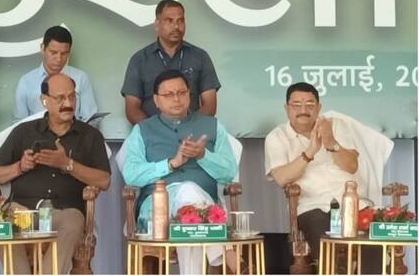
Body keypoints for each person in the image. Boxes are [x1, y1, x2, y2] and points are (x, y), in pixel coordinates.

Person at [0, 73, 111, 274]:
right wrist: (20, 166)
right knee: (4, 223)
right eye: (60, 98)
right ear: (44, 100)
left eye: (72, 96)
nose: (68, 103)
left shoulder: (90, 136)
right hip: (22, 210)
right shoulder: (24, 132)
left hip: (66, 211)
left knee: (73, 222)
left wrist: (67, 164)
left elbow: (104, 181)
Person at [121, 69, 237, 274]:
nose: (176, 98)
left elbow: (229, 171)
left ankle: (219, 250)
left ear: (189, 95)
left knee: (189, 204)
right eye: (168, 94)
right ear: (156, 100)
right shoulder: (142, 130)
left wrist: (203, 156)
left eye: (181, 93)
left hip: (200, 207)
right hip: (157, 211)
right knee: (189, 193)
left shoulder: (212, 126)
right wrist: (170, 164)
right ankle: (225, 253)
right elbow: (131, 174)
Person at [264, 82, 380, 273]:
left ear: (319, 107)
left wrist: (331, 143)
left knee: (375, 239)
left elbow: (351, 166)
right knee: (327, 245)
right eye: (297, 104)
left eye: (310, 104)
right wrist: (309, 152)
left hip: (352, 204)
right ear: (286, 108)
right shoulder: (277, 137)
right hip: (312, 207)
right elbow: (282, 178)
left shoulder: (337, 126)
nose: (303, 110)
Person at [121, 0, 220, 124]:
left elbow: (210, 105)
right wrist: (156, 130)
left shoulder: (200, 57)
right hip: (153, 133)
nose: (176, 26)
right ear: (157, 24)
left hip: (192, 133)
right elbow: (132, 109)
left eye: (180, 21)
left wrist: (189, 128)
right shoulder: (139, 60)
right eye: (170, 21)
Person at [13, 25, 97, 123]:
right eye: (53, 52)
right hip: (35, 133)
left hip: (74, 132)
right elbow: (19, 122)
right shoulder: (26, 81)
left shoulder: (81, 78)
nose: (59, 59)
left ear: (69, 52)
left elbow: (90, 119)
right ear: (42, 48)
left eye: (64, 53)